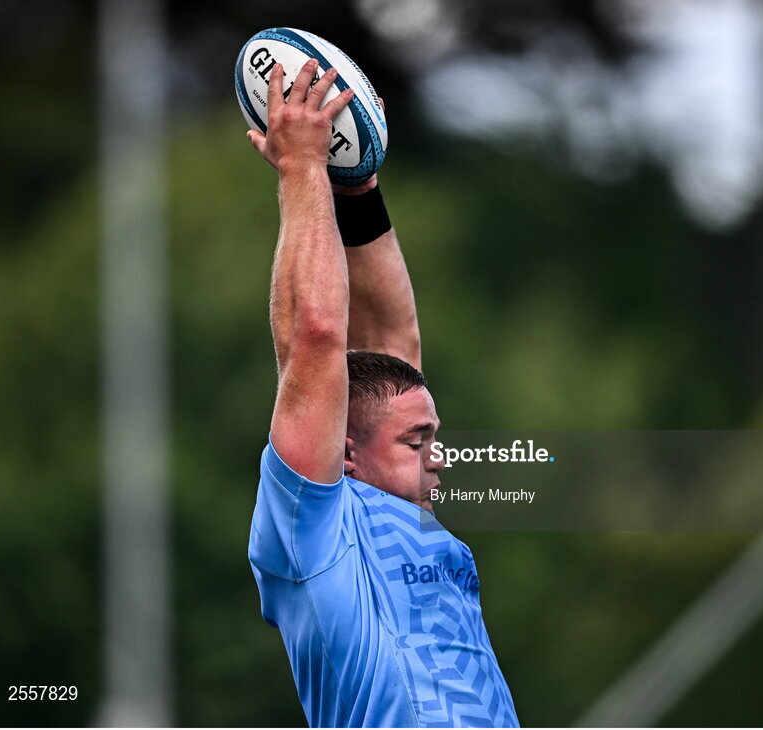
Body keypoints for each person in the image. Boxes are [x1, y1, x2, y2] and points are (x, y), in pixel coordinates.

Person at [244, 59, 520, 728]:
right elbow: (315, 336)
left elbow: (395, 345)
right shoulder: (313, 526)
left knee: (393, 364)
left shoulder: (408, 522)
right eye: (416, 441)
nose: (441, 457)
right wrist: (303, 170)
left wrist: (359, 187)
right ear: (343, 453)